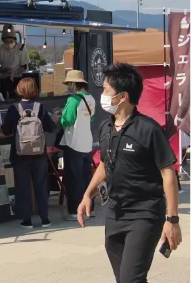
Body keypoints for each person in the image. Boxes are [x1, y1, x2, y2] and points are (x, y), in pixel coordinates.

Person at [77, 63, 182, 283]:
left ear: (122, 96)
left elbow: (168, 174)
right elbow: (105, 165)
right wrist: (88, 194)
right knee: (125, 279)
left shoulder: (148, 130)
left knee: (130, 279)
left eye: (106, 90)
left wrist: (172, 220)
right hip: (115, 213)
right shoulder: (105, 128)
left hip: (145, 213)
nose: (102, 95)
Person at [1, 77, 56, 228]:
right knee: (41, 185)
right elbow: (50, 127)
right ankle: (45, 219)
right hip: (39, 154)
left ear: (19, 90)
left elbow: (5, 131)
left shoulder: (14, 109)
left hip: (20, 155)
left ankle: (26, 220)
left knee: (23, 187)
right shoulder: (40, 108)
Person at [58, 70, 95, 221]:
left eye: (69, 84)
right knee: (86, 177)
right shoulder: (91, 98)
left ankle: (74, 210)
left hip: (74, 143)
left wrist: (58, 117)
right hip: (87, 142)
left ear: (74, 84)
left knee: (74, 179)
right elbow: (91, 120)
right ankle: (89, 209)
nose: (68, 87)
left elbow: (66, 120)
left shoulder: (73, 99)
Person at [0, 24, 30, 98]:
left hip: (19, 80)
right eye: (6, 42)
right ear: (3, 40)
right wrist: (6, 70)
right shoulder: (0, 49)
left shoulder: (21, 48)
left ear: (14, 39)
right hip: (5, 79)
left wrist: (15, 72)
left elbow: (24, 66)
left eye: (11, 41)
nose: (8, 44)